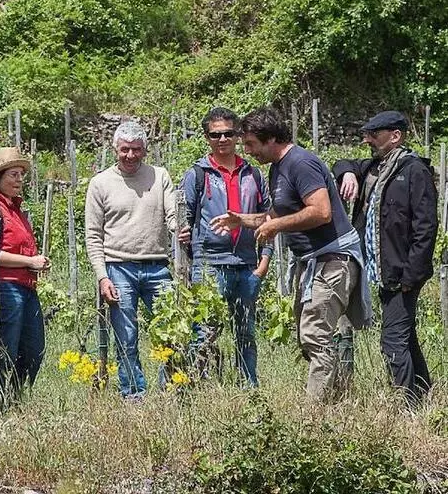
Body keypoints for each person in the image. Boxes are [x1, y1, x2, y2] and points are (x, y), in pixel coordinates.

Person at [211, 108, 372, 403]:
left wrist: (276, 226)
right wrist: (242, 220)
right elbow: (275, 215)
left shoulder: (301, 163)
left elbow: (321, 212)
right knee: (307, 336)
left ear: (271, 138)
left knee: (315, 335)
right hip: (312, 262)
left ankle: (314, 412)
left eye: (251, 144)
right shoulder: (277, 168)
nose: (247, 151)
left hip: (331, 260)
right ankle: (336, 398)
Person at [333, 111, 436, 406]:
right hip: (382, 269)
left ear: (395, 136)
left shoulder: (414, 171)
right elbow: (341, 163)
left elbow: (426, 227)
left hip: (402, 273)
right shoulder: (374, 167)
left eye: (374, 135)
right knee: (405, 335)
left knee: (392, 340)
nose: (368, 140)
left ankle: (406, 405)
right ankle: (423, 394)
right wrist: (348, 173)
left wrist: (411, 275)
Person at [85, 121, 179, 398]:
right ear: (115, 148)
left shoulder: (160, 176)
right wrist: (102, 277)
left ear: (145, 150)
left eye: (136, 149)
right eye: (125, 149)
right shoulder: (100, 183)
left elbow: (173, 215)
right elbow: (93, 235)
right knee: (126, 336)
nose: (130, 155)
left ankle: (170, 388)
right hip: (118, 268)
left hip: (157, 266)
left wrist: (180, 229)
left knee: (170, 330)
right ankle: (134, 394)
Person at [178, 107, 272, 387]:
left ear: (238, 135)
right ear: (206, 137)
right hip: (210, 266)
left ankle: (249, 388)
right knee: (204, 333)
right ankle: (200, 387)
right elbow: (183, 219)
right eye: (215, 135)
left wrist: (264, 262)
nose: (222, 140)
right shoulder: (197, 174)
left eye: (228, 134)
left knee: (246, 333)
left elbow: (271, 219)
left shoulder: (254, 174)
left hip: (246, 266)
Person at [0, 147, 50, 397]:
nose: (19, 180)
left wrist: (35, 262)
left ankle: (17, 397)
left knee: (34, 348)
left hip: (25, 287)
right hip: (6, 287)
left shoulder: (14, 209)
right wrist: (30, 261)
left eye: (21, 175)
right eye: (13, 175)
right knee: (9, 348)